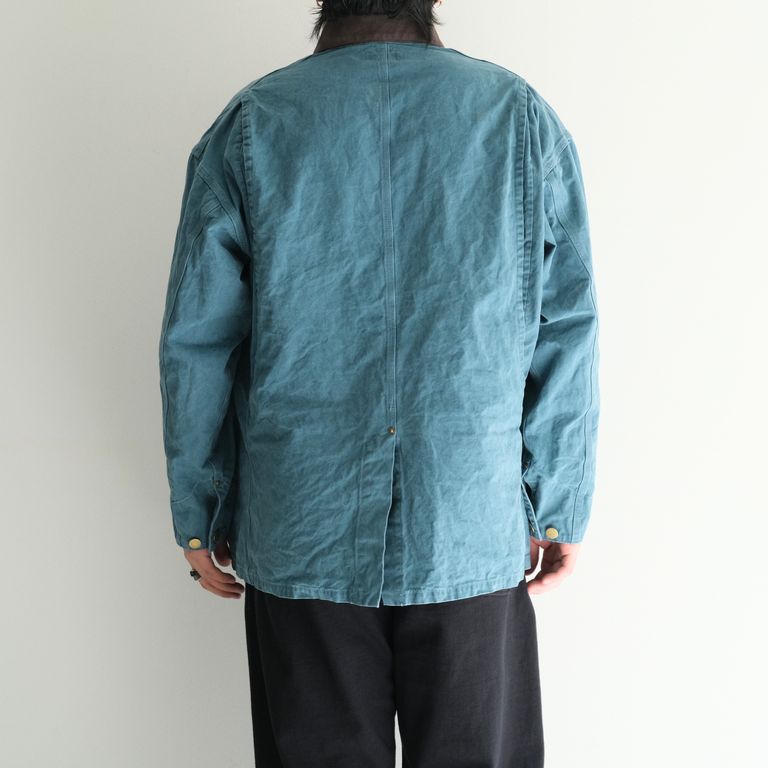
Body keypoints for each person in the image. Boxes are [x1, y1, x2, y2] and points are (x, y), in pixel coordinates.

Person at [157, 1, 600, 765]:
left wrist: (202, 513)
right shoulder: (517, 118)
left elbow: (198, 341)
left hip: (303, 524)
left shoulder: (254, 123)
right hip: (467, 520)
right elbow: (565, 325)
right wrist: (556, 506)